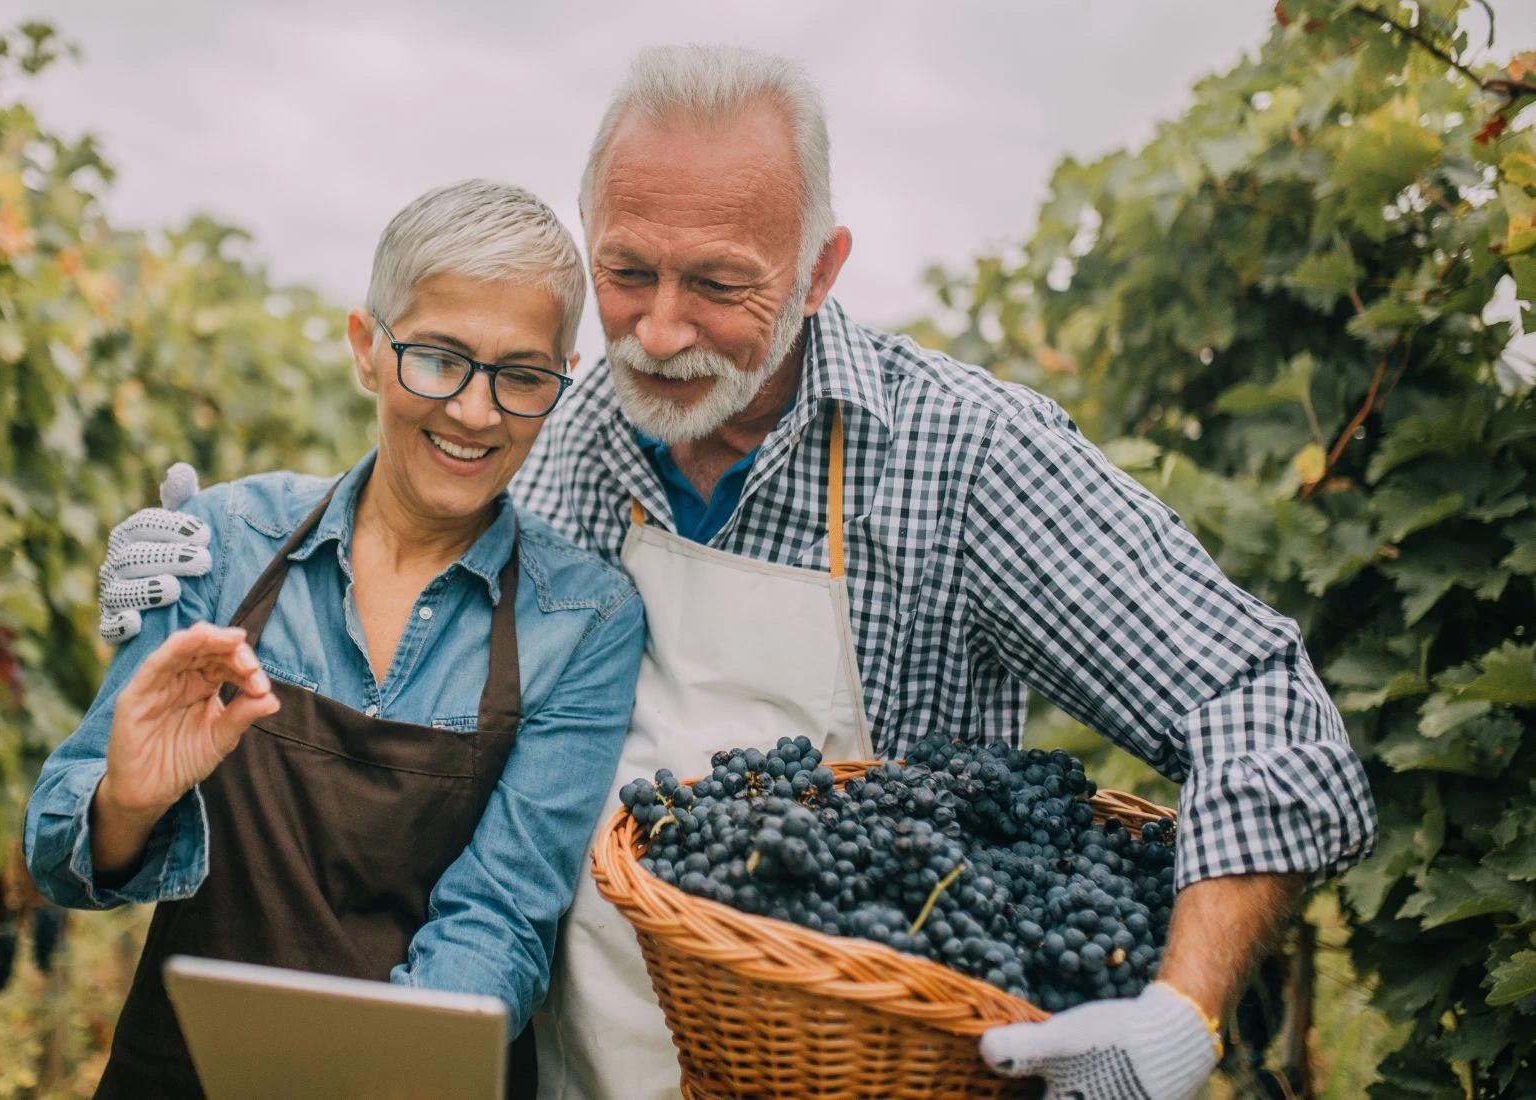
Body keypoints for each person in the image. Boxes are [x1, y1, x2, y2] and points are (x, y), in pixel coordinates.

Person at [95, 48, 1377, 1100]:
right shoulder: (553, 437)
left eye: (719, 285)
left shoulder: (960, 456)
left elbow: (1262, 708)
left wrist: (1181, 1009)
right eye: (624, 272)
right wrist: (202, 554)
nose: (656, 331)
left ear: (821, 268)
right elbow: (390, 520)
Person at [27, 179, 645, 1099]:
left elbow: (503, 914)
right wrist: (126, 800)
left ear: (563, 376)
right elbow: (59, 855)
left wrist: (384, 1070)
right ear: (368, 349)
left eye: (521, 375)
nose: (476, 413)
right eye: (438, 358)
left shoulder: (584, 621)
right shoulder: (225, 546)